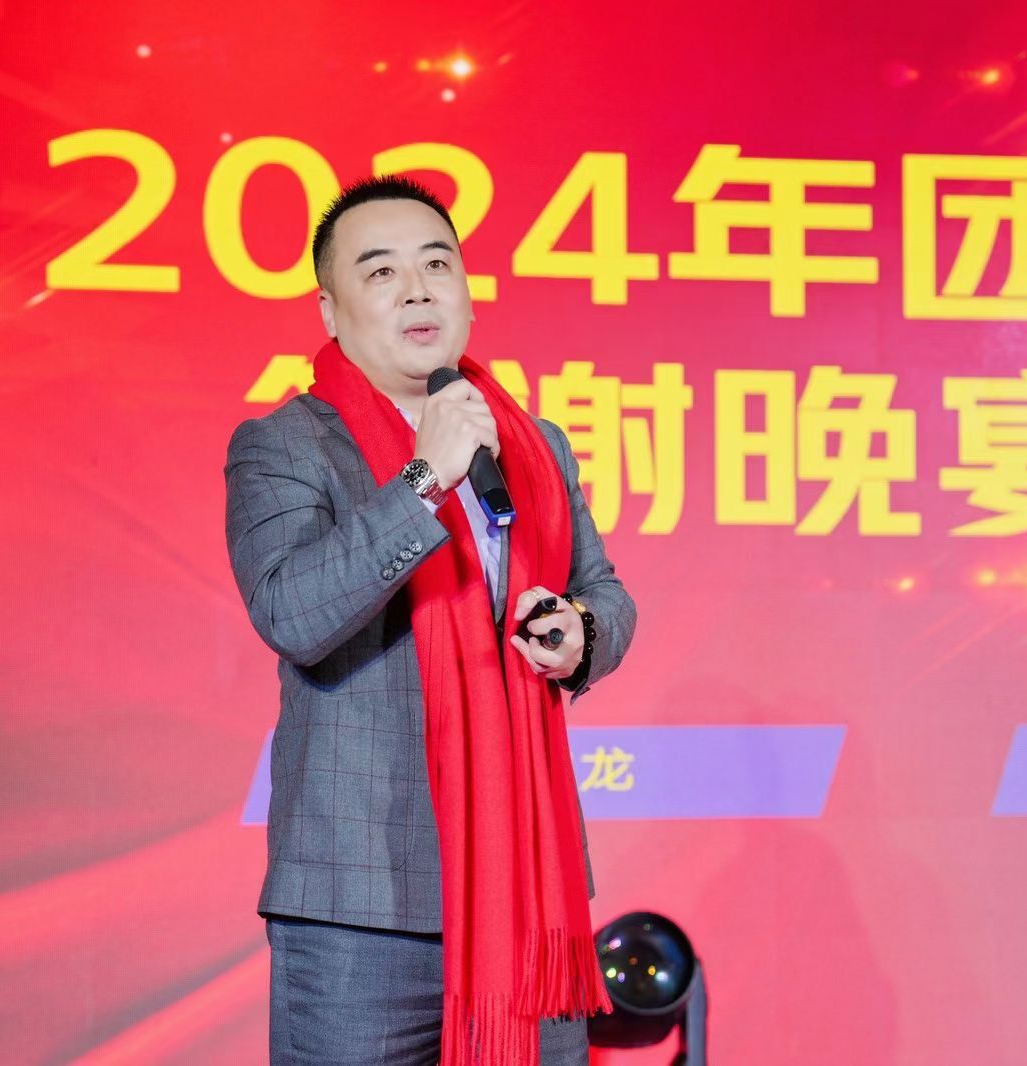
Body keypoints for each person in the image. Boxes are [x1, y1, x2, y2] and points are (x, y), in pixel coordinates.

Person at [224, 175, 637, 1065]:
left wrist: (579, 632)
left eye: (437, 264)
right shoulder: (285, 444)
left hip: (525, 882)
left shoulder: (532, 444)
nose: (417, 289)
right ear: (330, 312)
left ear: (467, 293)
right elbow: (293, 614)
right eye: (382, 272)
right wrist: (424, 478)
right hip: (361, 902)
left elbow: (604, 592)